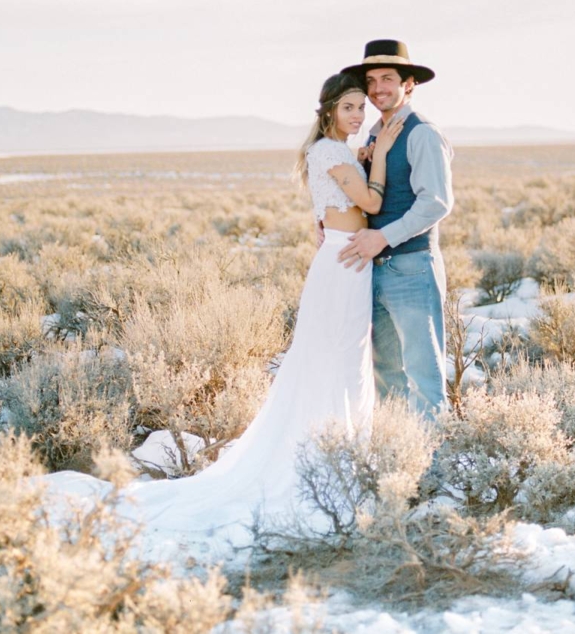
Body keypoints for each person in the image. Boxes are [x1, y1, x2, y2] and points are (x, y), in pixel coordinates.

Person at [122, 72, 404, 544]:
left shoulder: (333, 152)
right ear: (330, 109)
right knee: (337, 361)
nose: (359, 115)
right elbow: (371, 202)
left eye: (363, 108)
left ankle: (343, 452)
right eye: (350, 107)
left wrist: (362, 158)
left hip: (343, 258)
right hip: (343, 263)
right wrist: (383, 153)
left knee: (342, 361)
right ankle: (331, 459)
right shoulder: (331, 152)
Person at [338, 40, 454, 418]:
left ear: (409, 84)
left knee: (425, 374)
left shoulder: (422, 134)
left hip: (412, 268)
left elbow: (435, 202)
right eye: (371, 81)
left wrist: (382, 237)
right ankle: (398, 459)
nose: (377, 89)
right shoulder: (373, 137)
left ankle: (433, 468)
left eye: (387, 78)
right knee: (386, 374)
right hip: (373, 270)